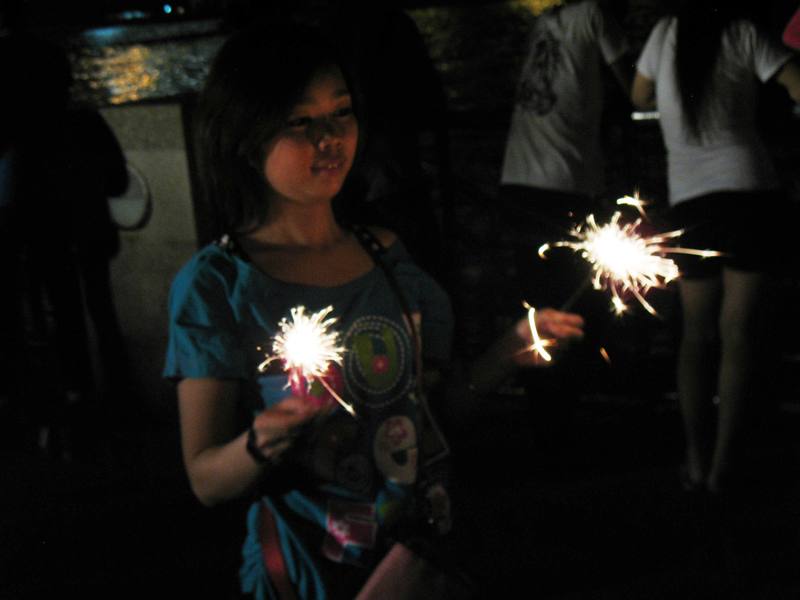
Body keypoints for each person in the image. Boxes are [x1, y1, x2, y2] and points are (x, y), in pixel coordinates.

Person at [164, 22, 584, 599]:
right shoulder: (218, 286)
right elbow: (206, 479)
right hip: (311, 572)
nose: (331, 138)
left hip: (418, 560)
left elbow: (432, 417)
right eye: (300, 122)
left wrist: (509, 351)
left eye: (341, 113)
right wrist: (260, 443)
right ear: (244, 135)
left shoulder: (389, 260)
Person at [632, 0, 800, 494]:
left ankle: (694, 458)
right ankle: (725, 466)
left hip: (691, 205)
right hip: (749, 195)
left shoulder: (665, 33)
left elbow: (639, 93)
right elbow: (795, 81)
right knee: (737, 334)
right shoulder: (743, 31)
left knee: (694, 337)